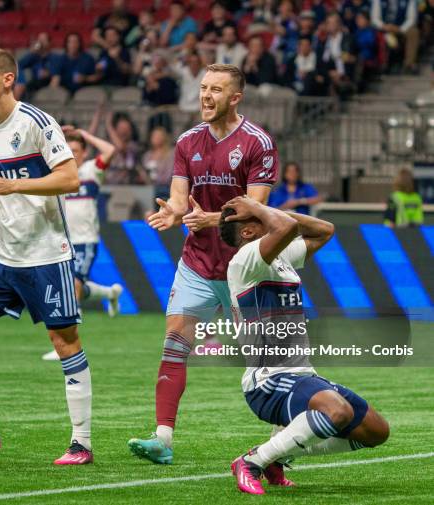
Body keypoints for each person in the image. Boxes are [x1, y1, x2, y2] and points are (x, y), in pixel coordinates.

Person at [0, 49, 93, 466]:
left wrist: (16, 188)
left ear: (8, 78)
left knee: (64, 342)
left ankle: (81, 442)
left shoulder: (37, 122)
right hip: (2, 254)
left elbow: (70, 177)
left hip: (46, 253)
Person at [127, 64, 279, 464]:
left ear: (235, 97)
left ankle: (280, 449)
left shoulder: (257, 143)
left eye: (216, 90)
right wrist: (174, 213)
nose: (206, 96)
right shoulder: (187, 141)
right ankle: (162, 438)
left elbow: (257, 210)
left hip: (246, 268)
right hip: (196, 263)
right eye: (203, 88)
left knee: (268, 361)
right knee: (174, 343)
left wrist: (213, 219)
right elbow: (181, 197)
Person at [220, 197, 389, 495]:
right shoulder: (246, 258)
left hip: (302, 375)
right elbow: (287, 226)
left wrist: (261, 210)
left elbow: (324, 230)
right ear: (247, 232)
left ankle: (278, 454)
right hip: (267, 381)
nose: (271, 218)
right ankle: (251, 461)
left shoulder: (280, 257)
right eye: (260, 219)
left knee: (376, 431)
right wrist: (258, 208)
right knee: (336, 412)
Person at [41, 127, 124, 361]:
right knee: (74, 288)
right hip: (61, 239)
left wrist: (83, 133)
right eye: (69, 149)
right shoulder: (57, 174)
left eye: (77, 150)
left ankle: (67, 345)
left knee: (73, 284)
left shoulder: (90, 171)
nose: (73, 154)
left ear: (84, 153)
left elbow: (111, 149)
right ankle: (109, 293)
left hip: (86, 241)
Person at [371, 0, 420, 73]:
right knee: (373, 32)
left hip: (401, 29)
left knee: (414, 32)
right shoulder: (378, 1)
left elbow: (411, 19)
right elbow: (374, 19)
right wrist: (383, 26)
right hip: (384, 29)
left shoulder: (409, 1)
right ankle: (381, 64)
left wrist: (400, 29)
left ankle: (409, 64)